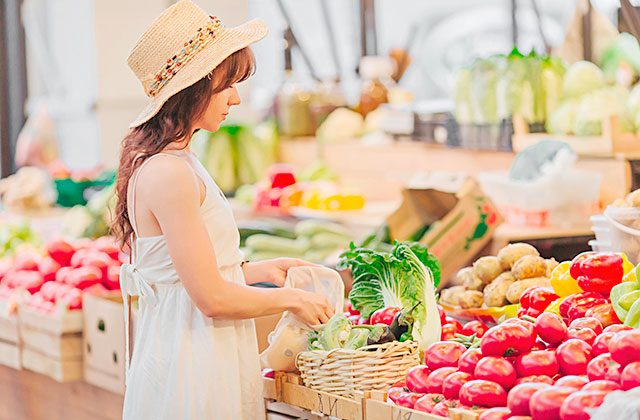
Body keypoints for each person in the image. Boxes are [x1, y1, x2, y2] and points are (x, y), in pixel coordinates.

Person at [111, 1, 333, 419]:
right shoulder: (169, 173)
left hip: (196, 351)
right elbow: (210, 297)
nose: (236, 97)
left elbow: (187, 275)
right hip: (192, 362)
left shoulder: (175, 162)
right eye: (226, 84)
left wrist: (260, 271)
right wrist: (292, 299)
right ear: (193, 87)